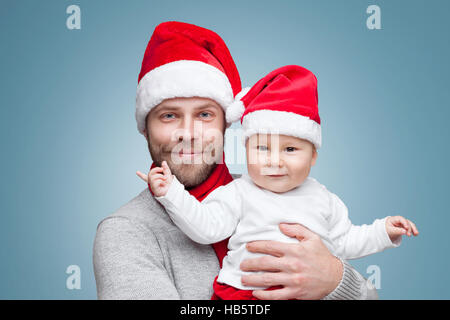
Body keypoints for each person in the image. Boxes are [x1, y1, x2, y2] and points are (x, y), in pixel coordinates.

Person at [94, 21, 381, 300]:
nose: (189, 133)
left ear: (226, 125)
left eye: (205, 115)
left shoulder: (277, 193)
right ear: (145, 128)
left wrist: (334, 279)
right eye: (169, 115)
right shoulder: (127, 231)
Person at [140, 65, 419, 300]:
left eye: (290, 150)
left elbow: (345, 241)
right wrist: (172, 193)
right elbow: (205, 225)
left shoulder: (324, 199)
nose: (275, 161)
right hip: (243, 295)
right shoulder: (238, 193)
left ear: (313, 158)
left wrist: (383, 232)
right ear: (246, 152)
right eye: (262, 149)